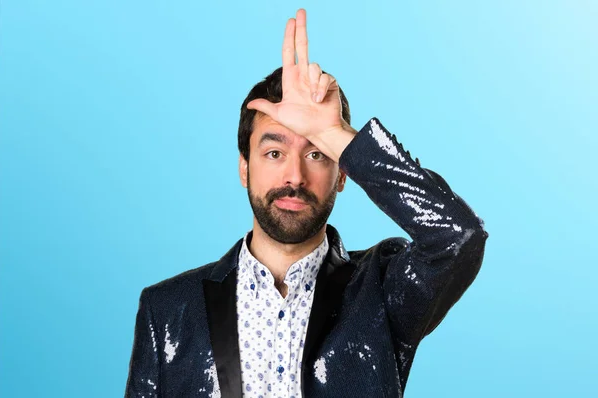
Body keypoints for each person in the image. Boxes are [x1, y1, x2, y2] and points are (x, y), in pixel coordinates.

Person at [124, 8, 488, 398]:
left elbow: (457, 237)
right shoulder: (167, 311)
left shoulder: (382, 292)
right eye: (274, 153)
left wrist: (335, 133)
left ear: (344, 172)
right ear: (244, 168)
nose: (294, 177)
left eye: (316, 154)